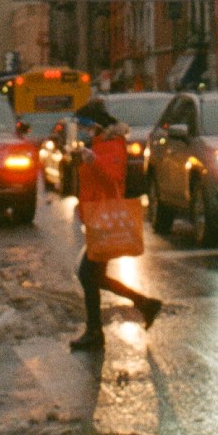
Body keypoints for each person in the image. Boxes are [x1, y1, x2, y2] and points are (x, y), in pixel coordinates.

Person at [70, 98, 162, 352]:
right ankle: (144, 305)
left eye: (86, 126)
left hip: (107, 219)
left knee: (87, 274)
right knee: (93, 275)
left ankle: (95, 332)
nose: (84, 131)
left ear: (97, 125)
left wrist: (92, 160)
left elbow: (112, 179)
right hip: (97, 217)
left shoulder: (112, 145)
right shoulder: (98, 143)